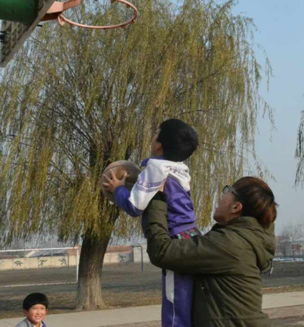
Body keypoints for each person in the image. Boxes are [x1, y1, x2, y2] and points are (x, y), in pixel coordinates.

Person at [102, 118, 199, 327]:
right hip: (191, 237)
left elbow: (134, 206)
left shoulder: (155, 168)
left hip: (174, 242)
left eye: (155, 133)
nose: (152, 136)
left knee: (174, 304)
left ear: (159, 145)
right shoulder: (180, 168)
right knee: (187, 300)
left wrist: (118, 189)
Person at [143, 176, 277, 327]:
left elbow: (161, 251)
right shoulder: (243, 240)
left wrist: (156, 199)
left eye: (228, 191)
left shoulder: (229, 244)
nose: (221, 196)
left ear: (236, 207)